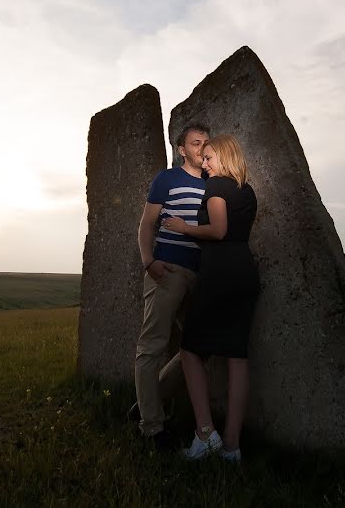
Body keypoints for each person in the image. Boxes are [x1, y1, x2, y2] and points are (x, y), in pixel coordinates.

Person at [161, 134, 259, 462]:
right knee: (237, 357)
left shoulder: (216, 186)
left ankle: (205, 434)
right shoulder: (248, 192)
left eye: (209, 157)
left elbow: (218, 230)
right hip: (245, 273)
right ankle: (233, 447)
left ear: (225, 156)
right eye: (203, 159)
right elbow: (235, 232)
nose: (205, 164)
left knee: (190, 350)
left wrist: (181, 227)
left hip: (219, 275)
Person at [133, 123, 211, 449]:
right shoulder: (167, 179)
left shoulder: (212, 182)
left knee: (201, 346)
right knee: (151, 346)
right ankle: (152, 426)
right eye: (195, 143)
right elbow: (147, 223)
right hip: (167, 271)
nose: (202, 148)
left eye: (206, 143)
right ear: (182, 149)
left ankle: (148, 401)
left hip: (199, 275)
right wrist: (148, 262)